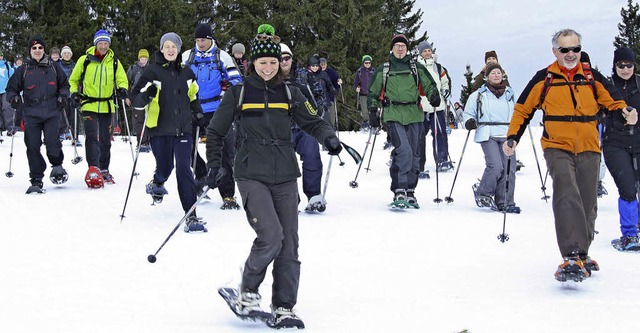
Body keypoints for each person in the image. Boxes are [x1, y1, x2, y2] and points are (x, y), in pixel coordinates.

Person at [205, 30, 340, 329]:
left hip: (285, 174)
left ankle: (284, 306)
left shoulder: (290, 92)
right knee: (271, 236)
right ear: (252, 63)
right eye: (262, 62)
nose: (268, 68)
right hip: (251, 173)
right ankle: (248, 291)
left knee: (289, 243)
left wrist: (328, 138)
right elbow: (215, 132)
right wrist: (214, 164)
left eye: (273, 62)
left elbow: (313, 121)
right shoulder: (238, 94)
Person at [503, 29, 637, 281]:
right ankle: (572, 255)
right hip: (557, 145)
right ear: (555, 51)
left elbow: (614, 101)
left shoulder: (590, 77)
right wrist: (513, 137)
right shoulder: (544, 79)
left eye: (575, 49)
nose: (571, 54)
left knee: (588, 201)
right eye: (565, 49)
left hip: (588, 146)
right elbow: (523, 109)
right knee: (565, 190)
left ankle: (582, 254)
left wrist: (626, 111)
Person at [131, 32, 206, 232]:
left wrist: (198, 112)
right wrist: (147, 95)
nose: (171, 50)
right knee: (165, 167)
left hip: (183, 131)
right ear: (162, 49)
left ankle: (191, 215)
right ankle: (157, 181)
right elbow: (135, 100)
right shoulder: (152, 73)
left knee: (184, 168)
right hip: (159, 130)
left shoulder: (187, 72)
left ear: (179, 49)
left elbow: (193, 96)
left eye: (174, 46)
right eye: (167, 46)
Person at [367, 34, 440, 208]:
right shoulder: (384, 69)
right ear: (392, 48)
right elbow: (373, 92)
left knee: (415, 154)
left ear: (407, 49)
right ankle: (399, 188)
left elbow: (429, 84)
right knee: (404, 150)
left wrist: (433, 95)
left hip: (414, 113)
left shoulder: (415, 67)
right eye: (397, 45)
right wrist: (372, 110)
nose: (400, 49)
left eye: (403, 46)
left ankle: (410, 190)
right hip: (393, 113)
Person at [182, 23, 243, 209]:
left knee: (224, 149)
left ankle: (228, 194)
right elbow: (176, 77)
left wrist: (227, 98)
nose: (200, 43)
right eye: (198, 40)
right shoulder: (187, 56)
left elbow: (236, 81)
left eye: (204, 40)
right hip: (192, 108)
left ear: (211, 39)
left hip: (216, 108)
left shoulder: (222, 56)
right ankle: (201, 175)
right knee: (187, 146)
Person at [5, 35, 70, 193]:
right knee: (32, 146)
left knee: (52, 142)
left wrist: (63, 96)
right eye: (34, 48)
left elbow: (65, 85)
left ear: (44, 49)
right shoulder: (24, 69)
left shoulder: (54, 67)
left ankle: (57, 165)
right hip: (31, 113)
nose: (37, 50)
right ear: (30, 51)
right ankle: (36, 178)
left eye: (40, 47)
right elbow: (12, 88)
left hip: (52, 111)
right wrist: (13, 98)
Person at [68, 29, 129, 188]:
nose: (103, 46)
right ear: (96, 44)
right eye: (100, 43)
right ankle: (93, 168)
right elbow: (73, 80)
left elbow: (121, 78)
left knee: (105, 139)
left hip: (107, 106)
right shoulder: (85, 60)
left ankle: (104, 168)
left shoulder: (114, 61)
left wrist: (122, 88)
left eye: (106, 43)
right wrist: (74, 93)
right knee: (91, 137)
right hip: (89, 104)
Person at [463, 63, 519, 213]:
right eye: (493, 73)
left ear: (503, 75)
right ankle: (483, 191)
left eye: (498, 73)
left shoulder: (510, 94)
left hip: (507, 133)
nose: (496, 75)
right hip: (488, 133)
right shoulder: (479, 95)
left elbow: (518, 112)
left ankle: (505, 201)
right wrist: (469, 121)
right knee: (496, 165)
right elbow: (468, 113)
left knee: (509, 168)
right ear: (487, 76)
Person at [280, 43, 325, 212]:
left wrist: (319, 109)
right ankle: (291, 198)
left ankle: (314, 195)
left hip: (304, 126)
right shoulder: (271, 77)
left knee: (312, 157)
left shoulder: (303, 75)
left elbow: (320, 93)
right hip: (282, 128)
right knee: (285, 164)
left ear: (292, 59)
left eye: (287, 58)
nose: (284, 62)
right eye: (280, 59)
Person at [604, 46, 640, 251]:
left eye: (629, 65)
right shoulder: (608, 86)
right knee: (627, 187)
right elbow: (600, 110)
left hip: (639, 141)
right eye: (621, 65)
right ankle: (629, 233)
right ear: (615, 65)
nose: (625, 69)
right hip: (615, 143)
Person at [416, 41, 453, 177]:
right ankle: (417, 161)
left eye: (429, 51)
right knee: (419, 135)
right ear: (420, 53)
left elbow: (445, 82)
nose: (427, 53)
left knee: (440, 132)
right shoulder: (416, 67)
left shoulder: (438, 67)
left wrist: (446, 90)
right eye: (424, 51)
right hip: (421, 106)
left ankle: (442, 159)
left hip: (437, 105)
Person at [127, 48, 151, 152]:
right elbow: (127, 83)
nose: (143, 60)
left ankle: (150, 141)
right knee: (139, 120)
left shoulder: (151, 69)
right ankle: (142, 142)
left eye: (145, 58)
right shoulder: (133, 69)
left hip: (149, 98)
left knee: (149, 120)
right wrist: (127, 97)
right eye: (142, 58)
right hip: (137, 98)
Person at [58, 45, 81, 147]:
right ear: (62, 55)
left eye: (68, 53)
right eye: (64, 54)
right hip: (62, 93)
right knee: (61, 114)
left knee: (74, 115)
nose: (66, 55)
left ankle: (75, 136)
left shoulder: (75, 65)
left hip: (73, 93)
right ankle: (60, 133)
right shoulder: (57, 65)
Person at [306, 55, 335, 130]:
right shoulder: (306, 74)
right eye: (313, 65)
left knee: (327, 119)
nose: (315, 67)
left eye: (316, 65)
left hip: (323, 100)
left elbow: (329, 84)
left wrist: (332, 89)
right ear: (309, 65)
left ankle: (330, 134)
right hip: (311, 102)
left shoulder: (323, 74)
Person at [319, 57, 342, 129]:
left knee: (331, 112)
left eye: (324, 64)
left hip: (330, 96)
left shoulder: (331, 72)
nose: (323, 65)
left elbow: (336, 80)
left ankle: (332, 127)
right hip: (319, 97)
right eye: (321, 64)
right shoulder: (316, 72)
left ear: (326, 64)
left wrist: (338, 83)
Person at [354, 55, 374, 131]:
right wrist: (357, 87)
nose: (367, 64)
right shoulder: (360, 71)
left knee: (373, 110)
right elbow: (356, 83)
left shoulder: (373, 71)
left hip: (372, 94)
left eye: (369, 63)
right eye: (366, 63)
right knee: (364, 110)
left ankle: (374, 125)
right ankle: (365, 125)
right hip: (363, 94)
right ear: (363, 63)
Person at [0, 49, 15, 134]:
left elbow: (12, 76)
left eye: (1, 55)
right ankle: (1, 126)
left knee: (7, 107)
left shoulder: (6, 65)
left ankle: (10, 126)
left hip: (5, 89)